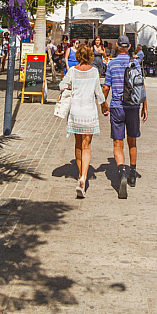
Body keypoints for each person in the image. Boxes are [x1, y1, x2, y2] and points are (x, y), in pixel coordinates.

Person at [58, 42, 108, 198]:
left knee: (78, 145)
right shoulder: (94, 72)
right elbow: (99, 93)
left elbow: (62, 85)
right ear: (91, 56)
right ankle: (83, 178)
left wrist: (73, 88)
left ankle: (80, 175)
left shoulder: (73, 71)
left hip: (75, 112)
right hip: (89, 112)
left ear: (78, 56)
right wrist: (104, 106)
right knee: (87, 146)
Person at [102, 34, 148, 199]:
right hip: (133, 106)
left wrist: (103, 103)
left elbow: (106, 87)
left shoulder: (112, 64)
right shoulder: (135, 62)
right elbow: (141, 85)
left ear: (117, 47)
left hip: (117, 106)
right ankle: (133, 174)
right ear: (129, 47)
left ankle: (121, 171)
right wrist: (145, 107)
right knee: (132, 141)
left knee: (118, 143)